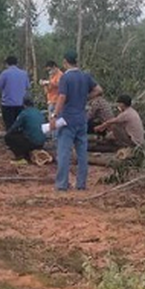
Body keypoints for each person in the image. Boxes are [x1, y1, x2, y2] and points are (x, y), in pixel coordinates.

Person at [52, 51, 103, 191]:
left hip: (67, 119)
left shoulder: (65, 78)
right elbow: (99, 90)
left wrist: (54, 115)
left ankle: (62, 185)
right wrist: (84, 98)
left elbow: (62, 97)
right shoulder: (85, 76)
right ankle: (81, 184)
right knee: (82, 153)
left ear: (65, 62)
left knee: (64, 153)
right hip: (82, 119)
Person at [5, 96, 47, 165]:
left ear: (23, 105)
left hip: (32, 142)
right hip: (41, 143)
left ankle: (20, 158)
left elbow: (14, 127)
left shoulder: (24, 113)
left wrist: (9, 133)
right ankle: (30, 153)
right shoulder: (38, 112)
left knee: (8, 137)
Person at [0, 55, 30, 130]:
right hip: (21, 104)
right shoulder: (24, 74)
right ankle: (20, 140)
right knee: (20, 125)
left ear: (7, 64)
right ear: (17, 63)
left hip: (8, 104)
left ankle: (11, 140)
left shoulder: (5, 73)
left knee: (9, 126)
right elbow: (27, 87)